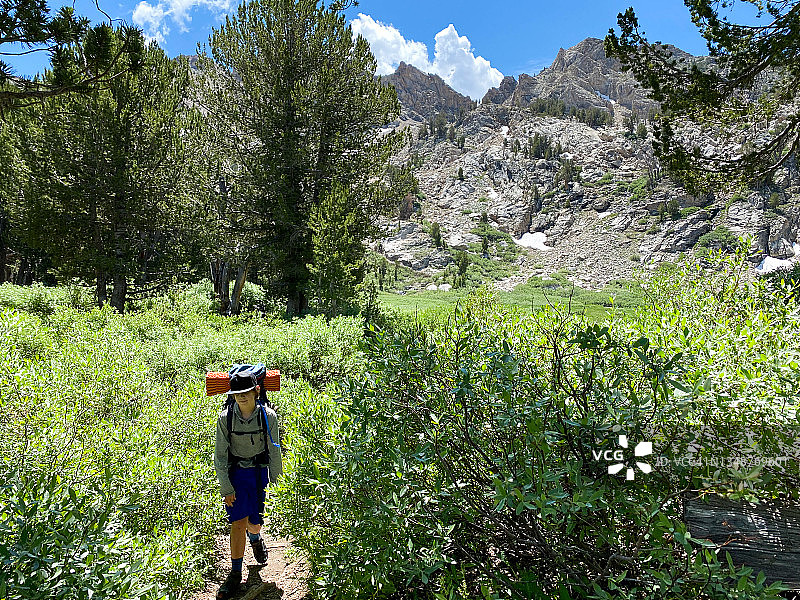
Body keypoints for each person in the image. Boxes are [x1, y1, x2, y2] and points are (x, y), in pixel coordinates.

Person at [213, 370, 283, 599]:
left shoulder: (268, 416)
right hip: (237, 473)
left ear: (257, 391)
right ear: (232, 395)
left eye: (246, 392)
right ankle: (235, 573)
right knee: (238, 521)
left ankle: (255, 537)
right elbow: (220, 456)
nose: (241, 397)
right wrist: (226, 488)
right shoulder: (226, 418)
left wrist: (279, 484)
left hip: (259, 472)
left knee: (254, 522)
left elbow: (274, 450)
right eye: (237, 393)